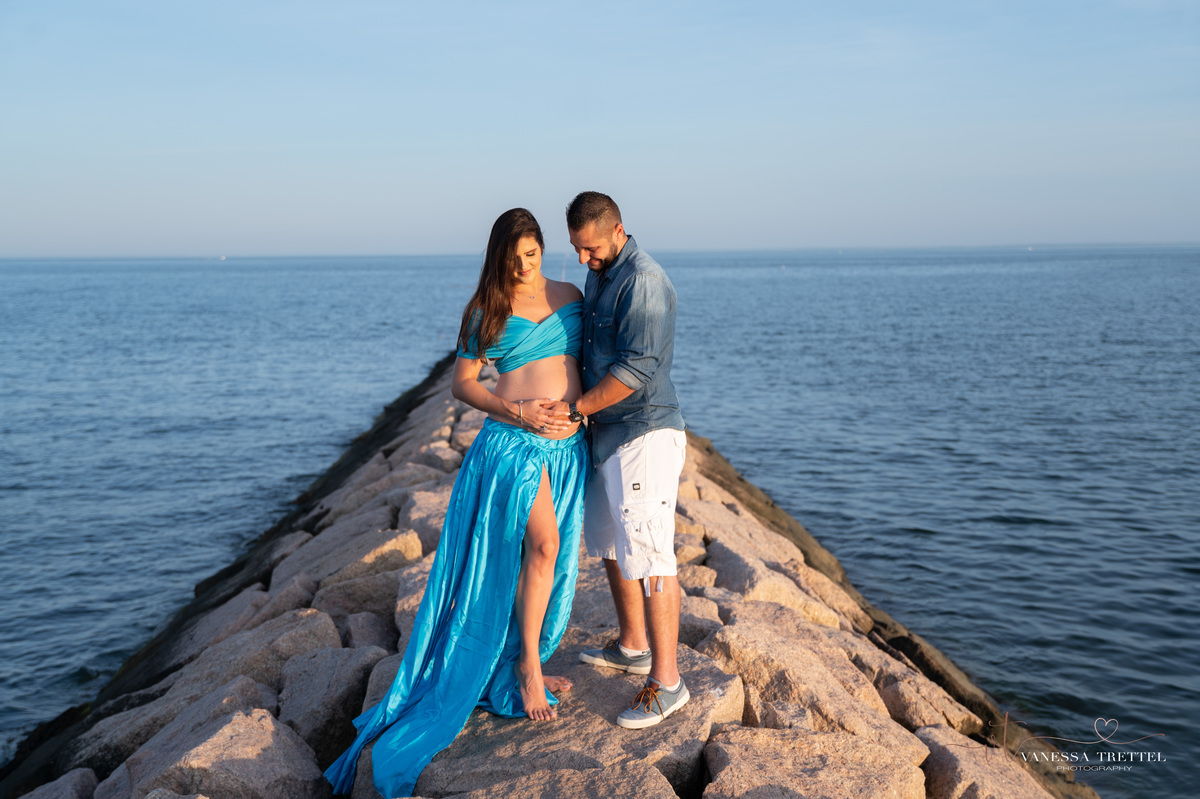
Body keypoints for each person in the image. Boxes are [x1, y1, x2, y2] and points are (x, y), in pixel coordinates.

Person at [324, 208, 588, 798]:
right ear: (499, 257)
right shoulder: (485, 312)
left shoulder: (571, 293)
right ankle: (526, 669)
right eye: (515, 257)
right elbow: (463, 384)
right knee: (541, 547)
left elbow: (586, 361)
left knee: (548, 560)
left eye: (533, 254)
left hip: (568, 450)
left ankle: (526, 655)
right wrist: (517, 410)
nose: (525, 265)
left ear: (545, 251)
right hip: (514, 447)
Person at [546, 191, 688, 729]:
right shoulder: (601, 273)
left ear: (618, 228)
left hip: (643, 436)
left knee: (650, 555)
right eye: (577, 250)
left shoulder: (644, 282)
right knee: (609, 543)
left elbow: (636, 370)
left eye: (591, 249)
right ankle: (633, 647)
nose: (584, 260)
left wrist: (575, 409)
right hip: (606, 438)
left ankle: (667, 682)